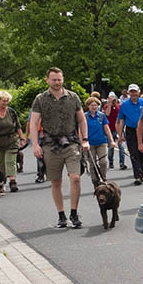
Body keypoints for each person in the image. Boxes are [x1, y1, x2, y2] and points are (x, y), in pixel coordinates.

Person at [29, 67, 90, 229]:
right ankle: (61, 215)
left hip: (71, 142)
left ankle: (74, 213)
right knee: (55, 181)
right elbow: (33, 123)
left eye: (59, 79)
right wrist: (35, 144)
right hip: (50, 144)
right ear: (47, 80)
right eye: (54, 79)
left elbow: (82, 120)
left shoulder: (73, 97)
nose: (57, 82)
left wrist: (85, 140)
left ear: (63, 79)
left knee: (75, 177)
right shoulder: (40, 99)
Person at [0, 90, 25, 192]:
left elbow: (18, 126)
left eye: (7, 101)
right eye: (3, 101)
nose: (5, 103)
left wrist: (22, 138)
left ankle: (13, 182)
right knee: (1, 164)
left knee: (10, 161)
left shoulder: (11, 112)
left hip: (11, 139)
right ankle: (2, 182)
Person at [117, 84, 143, 184]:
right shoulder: (124, 105)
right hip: (131, 130)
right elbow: (121, 120)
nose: (133, 94)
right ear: (129, 93)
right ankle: (138, 175)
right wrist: (120, 135)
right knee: (133, 152)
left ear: (138, 92)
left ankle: (141, 172)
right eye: (131, 92)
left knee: (142, 152)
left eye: (135, 91)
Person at [84, 95, 115, 181]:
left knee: (103, 162)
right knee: (92, 163)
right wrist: (83, 142)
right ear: (88, 106)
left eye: (95, 105)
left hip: (101, 141)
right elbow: (80, 130)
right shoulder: (85, 117)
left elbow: (106, 128)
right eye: (92, 105)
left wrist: (111, 140)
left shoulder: (101, 116)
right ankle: (95, 181)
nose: (94, 107)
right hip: (90, 143)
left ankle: (103, 179)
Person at [104, 92, 121, 169]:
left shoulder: (119, 107)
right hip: (110, 129)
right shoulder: (107, 106)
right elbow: (107, 114)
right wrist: (109, 104)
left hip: (118, 128)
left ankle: (122, 163)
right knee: (111, 146)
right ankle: (111, 161)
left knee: (121, 146)